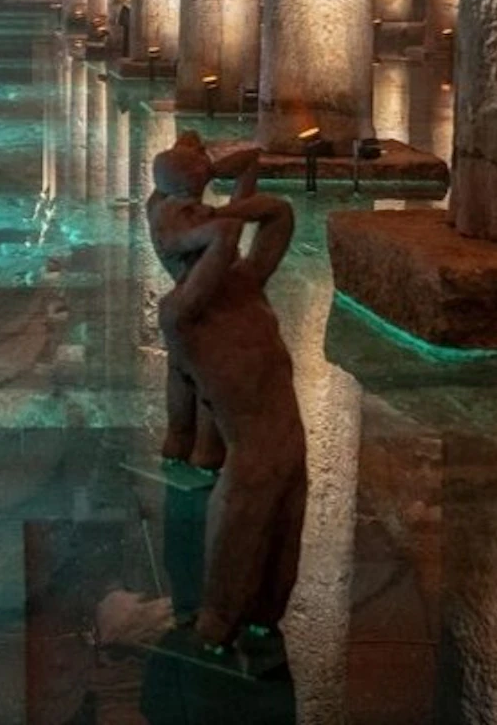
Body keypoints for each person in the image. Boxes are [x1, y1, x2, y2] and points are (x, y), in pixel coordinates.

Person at [157, 184, 306, 655]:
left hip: (292, 447)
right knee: (229, 581)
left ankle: (264, 627)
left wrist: (215, 210)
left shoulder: (245, 281)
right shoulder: (181, 312)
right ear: (178, 244)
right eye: (189, 212)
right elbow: (223, 237)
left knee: (279, 573)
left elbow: (278, 213)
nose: (203, 208)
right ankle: (211, 645)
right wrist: (197, 229)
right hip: (250, 457)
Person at [146, 133, 260, 470]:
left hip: (179, 304)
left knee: (180, 375)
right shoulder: (196, 223)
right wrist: (231, 210)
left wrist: (206, 166)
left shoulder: (156, 206)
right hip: (203, 308)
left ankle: (177, 441)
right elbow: (226, 236)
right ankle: (207, 451)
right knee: (210, 380)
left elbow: (251, 159)